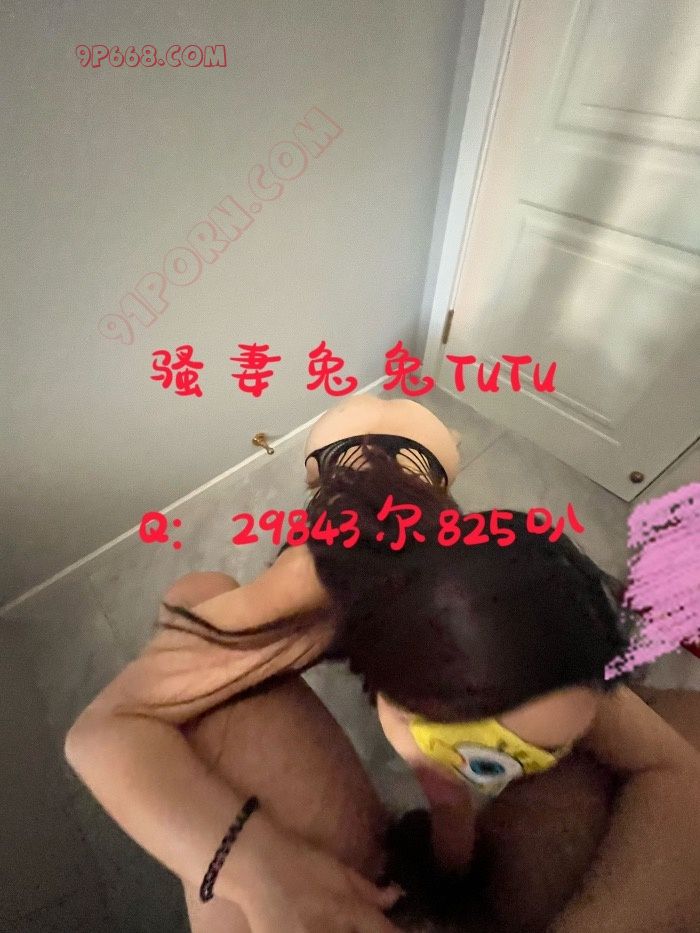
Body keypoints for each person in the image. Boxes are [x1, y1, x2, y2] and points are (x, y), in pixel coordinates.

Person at [65, 396, 700, 932]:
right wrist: (255, 868)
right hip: (354, 466)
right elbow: (98, 732)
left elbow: (667, 765)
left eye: (529, 759)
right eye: (448, 739)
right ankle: (382, 451)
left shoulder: (528, 626)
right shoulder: (306, 586)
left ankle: (422, 457)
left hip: (425, 484)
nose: (473, 777)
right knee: (198, 591)